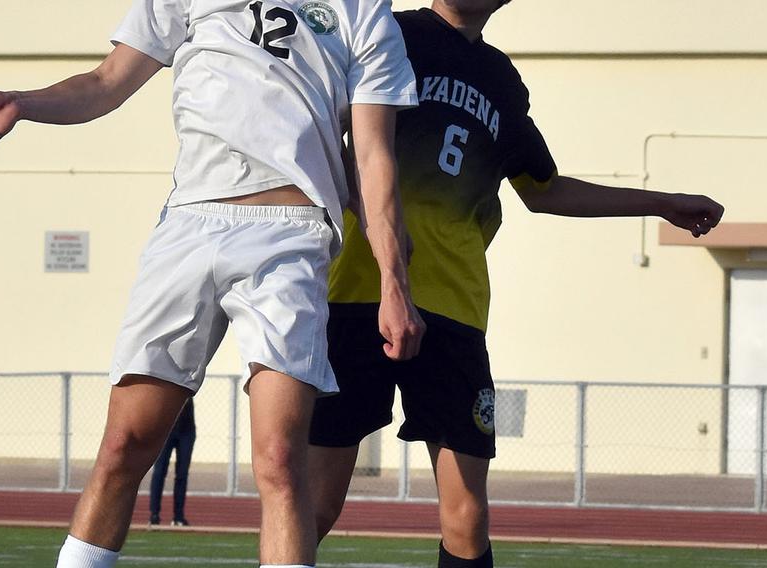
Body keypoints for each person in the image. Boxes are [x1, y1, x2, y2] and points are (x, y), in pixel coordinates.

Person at [0, 0, 426, 565]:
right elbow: (106, 83)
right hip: (190, 226)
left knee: (279, 458)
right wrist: (23, 103)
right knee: (124, 445)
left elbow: (373, 157)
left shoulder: (364, 11)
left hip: (291, 236)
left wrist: (394, 283)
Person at [307, 1, 725, 567]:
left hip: (454, 310)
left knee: (467, 518)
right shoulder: (386, 33)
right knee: (317, 505)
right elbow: (321, 133)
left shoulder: (500, 79)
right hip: (356, 297)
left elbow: (545, 191)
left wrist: (661, 203)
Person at [149, 397, 195, 527]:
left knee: (182, 474)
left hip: (187, 431)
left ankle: (178, 517)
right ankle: (154, 514)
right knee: (159, 471)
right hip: (166, 430)